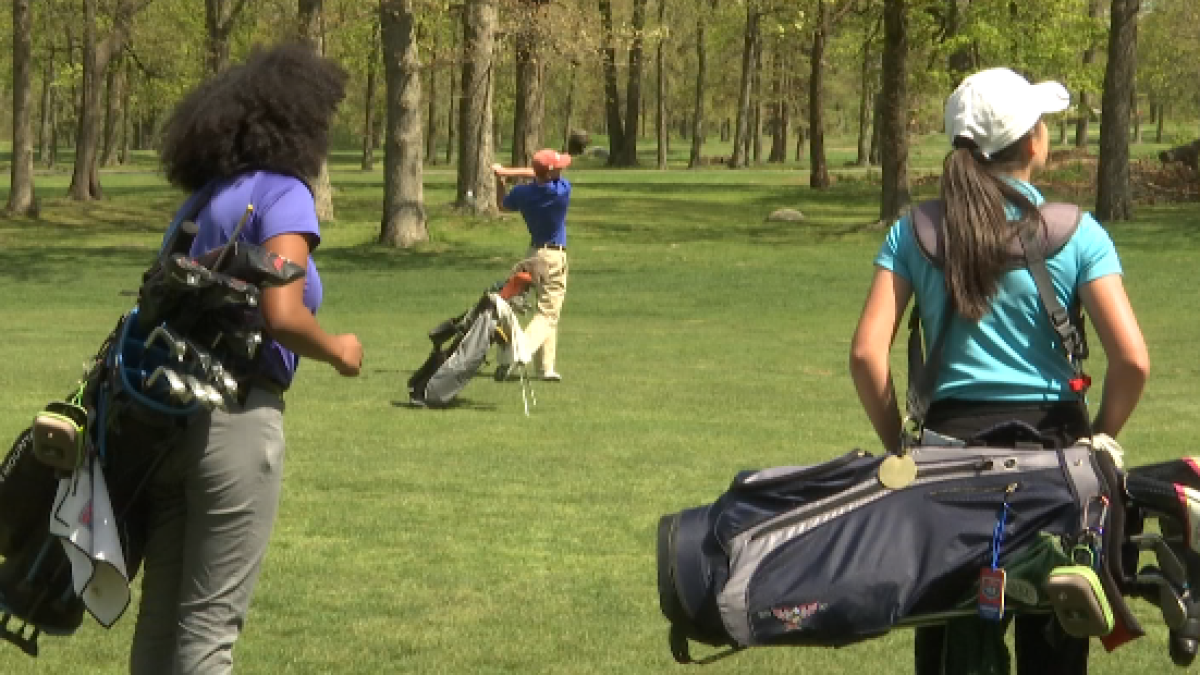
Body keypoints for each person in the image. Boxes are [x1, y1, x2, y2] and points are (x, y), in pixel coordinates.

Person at [849, 67, 1149, 674]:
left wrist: (900, 449)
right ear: (1035, 142)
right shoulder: (1079, 235)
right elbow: (1132, 360)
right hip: (1055, 471)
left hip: (944, 470)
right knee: (1053, 651)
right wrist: (1102, 436)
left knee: (950, 650)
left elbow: (865, 355)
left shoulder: (915, 232)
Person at [131, 42, 363, 674]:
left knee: (161, 628)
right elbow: (283, 313)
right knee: (209, 635)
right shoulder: (284, 193)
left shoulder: (199, 204)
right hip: (236, 423)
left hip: (166, 426)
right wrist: (338, 349)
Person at [491, 149, 573, 381]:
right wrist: (511, 171)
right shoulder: (561, 191)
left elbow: (502, 205)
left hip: (533, 255)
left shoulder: (523, 193)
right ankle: (518, 352)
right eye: (557, 167)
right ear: (551, 173)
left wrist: (502, 178)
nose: (561, 169)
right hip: (553, 257)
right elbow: (538, 174)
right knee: (549, 312)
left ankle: (545, 368)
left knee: (547, 310)